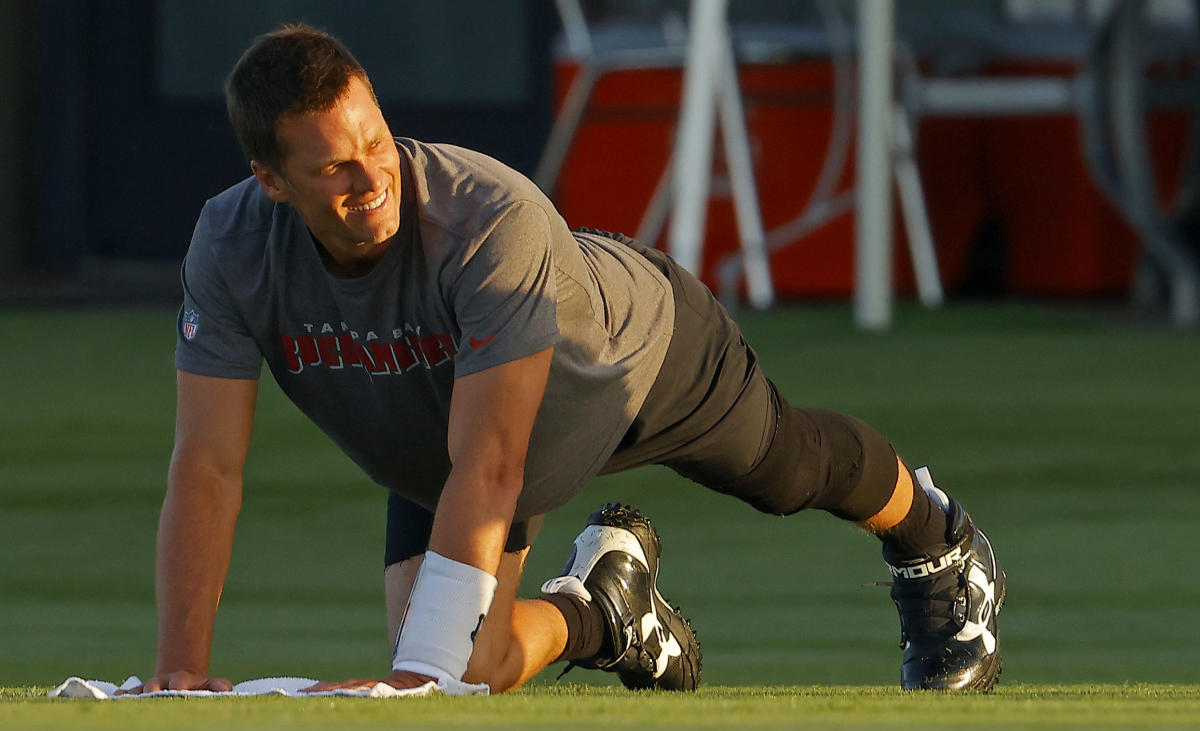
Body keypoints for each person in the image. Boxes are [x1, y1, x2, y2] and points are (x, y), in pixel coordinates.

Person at [124, 23, 1005, 696]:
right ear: (272, 180)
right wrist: (180, 671)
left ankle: (938, 541)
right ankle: (603, 612)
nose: (372, 180)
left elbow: (497, 458)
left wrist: (423, 680)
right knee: (479, 661)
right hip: (459, 438)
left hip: (634, 361)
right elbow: (206, 465)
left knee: (782, 469)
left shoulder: (483, 218)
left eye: (377, 142)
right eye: (333, 171)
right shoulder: (231, 243)